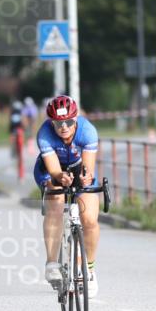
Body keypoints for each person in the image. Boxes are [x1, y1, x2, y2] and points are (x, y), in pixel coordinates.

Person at [35, 95, 101, 298]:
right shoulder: (45, 134)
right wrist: (59, 177)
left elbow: (88, 170)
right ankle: (52, 262)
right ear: (51, 123)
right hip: (51, 169)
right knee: (55, 203)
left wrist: (85, 178)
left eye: (68, 122)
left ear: (76, 119)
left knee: (89, 219)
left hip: (78, 167)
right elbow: (54, 170)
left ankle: (89, 270)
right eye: (58, 123)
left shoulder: (88, 131)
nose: (63, 127)